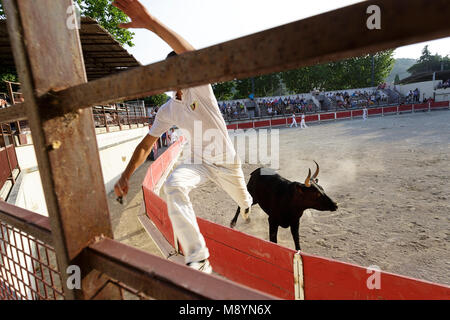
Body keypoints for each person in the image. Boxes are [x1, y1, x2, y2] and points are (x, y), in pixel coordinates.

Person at [112, 0, 252, 274]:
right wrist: (127, 175)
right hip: (198, 162)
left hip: (226, 162)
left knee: (244, 201)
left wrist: (150, 22)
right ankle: (198, 257)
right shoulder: (167, 110)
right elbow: (145, 145)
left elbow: (192, 55)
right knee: (173, 185)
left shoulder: (200, 88)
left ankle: (246, 207)